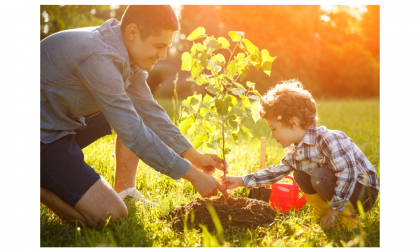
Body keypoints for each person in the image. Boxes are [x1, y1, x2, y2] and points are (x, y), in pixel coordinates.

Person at [40, 5, 229, 228]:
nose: (163, 55)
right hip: (42, 137)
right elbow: (133, 132)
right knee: (110, 215)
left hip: (60, 120)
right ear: (132, 32)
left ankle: (125, 191)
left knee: (132, 111)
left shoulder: (126, 54)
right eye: (159, 46)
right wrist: (194, 177)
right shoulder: (99, 57)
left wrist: (192, 155)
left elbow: (150, 111)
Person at [221, 80, 379, 230]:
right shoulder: (293, 150)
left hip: (363, 191)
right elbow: (275, 172)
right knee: (300, 173)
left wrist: (334, 210)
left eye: (274, 128)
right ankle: (322, 212)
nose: (271, 135)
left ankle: (347, 218)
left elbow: (348, 174)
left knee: (318, 175)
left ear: (293, 123)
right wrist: (240, 181)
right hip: (340, 188)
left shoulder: (328, 140)